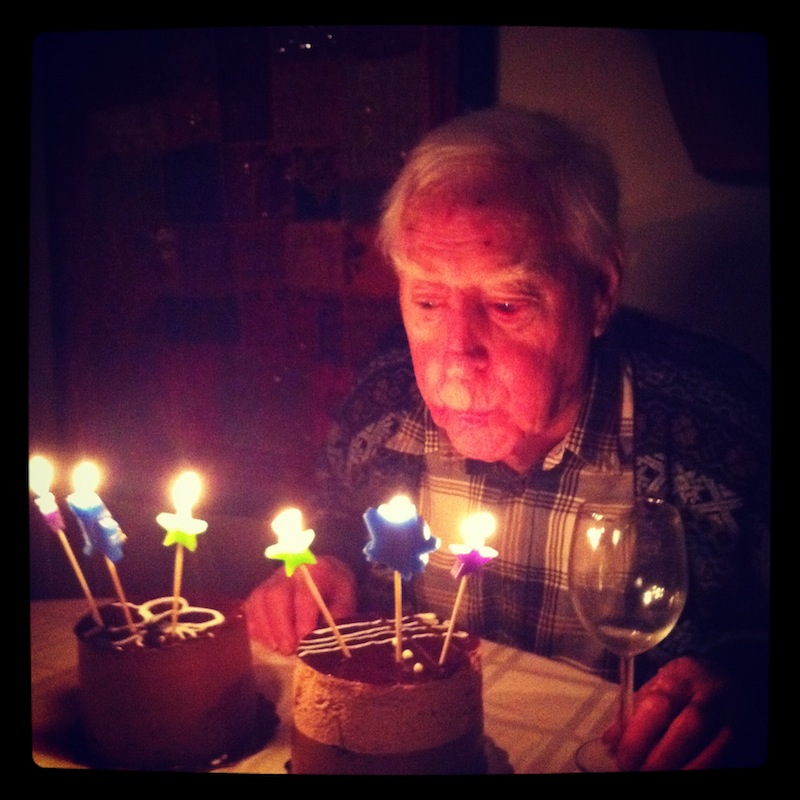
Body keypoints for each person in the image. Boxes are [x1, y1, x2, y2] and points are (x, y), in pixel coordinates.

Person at [245, 106, 770, 771]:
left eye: (507, 304)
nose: (456, 355)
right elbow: (334, 520)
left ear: (600, 290)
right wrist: (322, 571)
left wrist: (744, 688)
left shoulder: (729, 426)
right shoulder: (383, 402)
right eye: (428, 302)